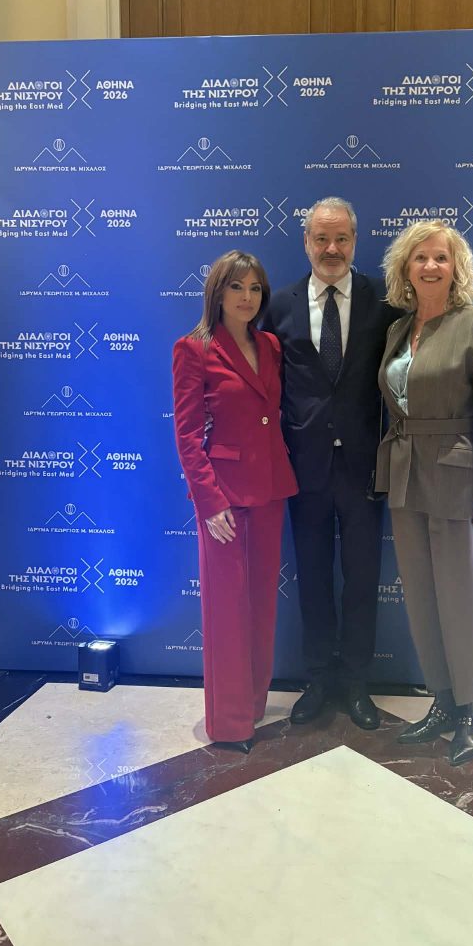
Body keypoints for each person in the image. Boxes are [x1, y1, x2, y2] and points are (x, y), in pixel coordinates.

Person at [376, 220, 473, 765]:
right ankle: (442, 700)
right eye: (420, 258)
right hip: (405, 476)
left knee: (463, 597)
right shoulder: (398, 330)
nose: (430, 266)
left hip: (459, 480)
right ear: (405, 269)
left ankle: (472, 710)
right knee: (422, 597)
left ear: (456, 267)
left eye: (441, 257)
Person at [263, 197, 402, 728]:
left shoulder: (383, 303)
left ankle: (357, 682)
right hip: (305, 468)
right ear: (306, 242)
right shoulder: (279, 305)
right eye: (321, 238)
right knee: (314, 577)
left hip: (366, 468)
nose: (331, 248)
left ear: (355, 241)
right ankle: (319, 678)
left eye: (341, 238)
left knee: (363, 579)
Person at [172, 250, 297, 754]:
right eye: (237, 287)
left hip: (270, 488)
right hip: (222, 496)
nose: (247, 297)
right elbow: (186, 436)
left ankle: (253, 705)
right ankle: (228, 723)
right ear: (218, 293)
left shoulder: (270, 345)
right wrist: (209, 501)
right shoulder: (194, 348)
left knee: (261, 604)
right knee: (227, 607)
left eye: (255, 288)